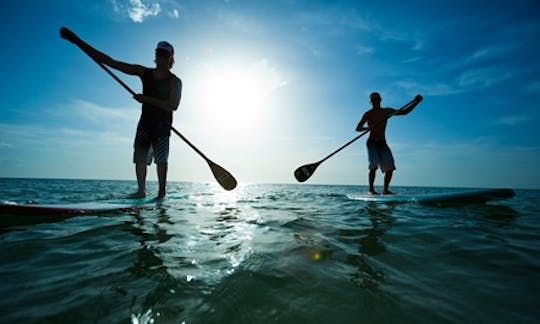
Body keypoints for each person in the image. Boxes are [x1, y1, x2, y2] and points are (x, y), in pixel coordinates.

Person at [60, 27, 182, 199]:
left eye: (164, 55)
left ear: (170, 59)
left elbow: (173, 105)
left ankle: (161, 194)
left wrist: (145, 99)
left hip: (162, 127)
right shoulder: (143, 72)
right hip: (145, 124)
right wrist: (76, 41)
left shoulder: (175, 82)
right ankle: (141, 191)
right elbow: (110, 62)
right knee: (139, 159)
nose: (160, 57)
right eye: (158, 53)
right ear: (156, 55)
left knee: (161, 161)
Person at [355, 92, 422, 195]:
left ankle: (385, 190)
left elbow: (404, 112)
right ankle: (371, 190)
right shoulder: (368, 114)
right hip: (372, 142)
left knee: (390, 167)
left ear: (380, 100)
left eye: (377, 99)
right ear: (370, 102)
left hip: (383, 143)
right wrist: (368, 128)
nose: (375, 101)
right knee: (373, 166)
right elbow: (358, 128)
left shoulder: (386, 111)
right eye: (373, 100)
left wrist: (416, 102)